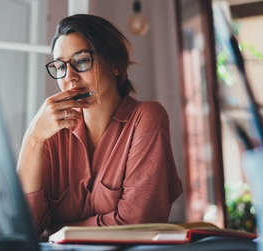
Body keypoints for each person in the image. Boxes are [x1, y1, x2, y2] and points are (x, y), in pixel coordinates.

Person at [16, 14, 183, 237]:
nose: (70, 78)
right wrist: (33, 139)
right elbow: (24, 229)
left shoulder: (146, 117)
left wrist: (56, 230)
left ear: (114, 64)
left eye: (82, 60)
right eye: (60, 66)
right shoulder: (50, 133)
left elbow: (137, 224)